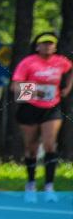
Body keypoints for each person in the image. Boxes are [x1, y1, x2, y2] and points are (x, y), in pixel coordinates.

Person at [12, 32, 72, 203]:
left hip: (52, 108)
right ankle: (30, 185)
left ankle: (49, 187)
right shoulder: (28, 62)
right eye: (44, 44)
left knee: (49, 144)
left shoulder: (61, 61)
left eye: (51, 44)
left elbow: (70, 71)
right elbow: (15, 87)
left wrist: (67, 89)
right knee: (31, 148)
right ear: (37, 46)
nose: (48, 46)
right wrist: (36, 90)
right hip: (30, 108)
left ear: (55, 46)